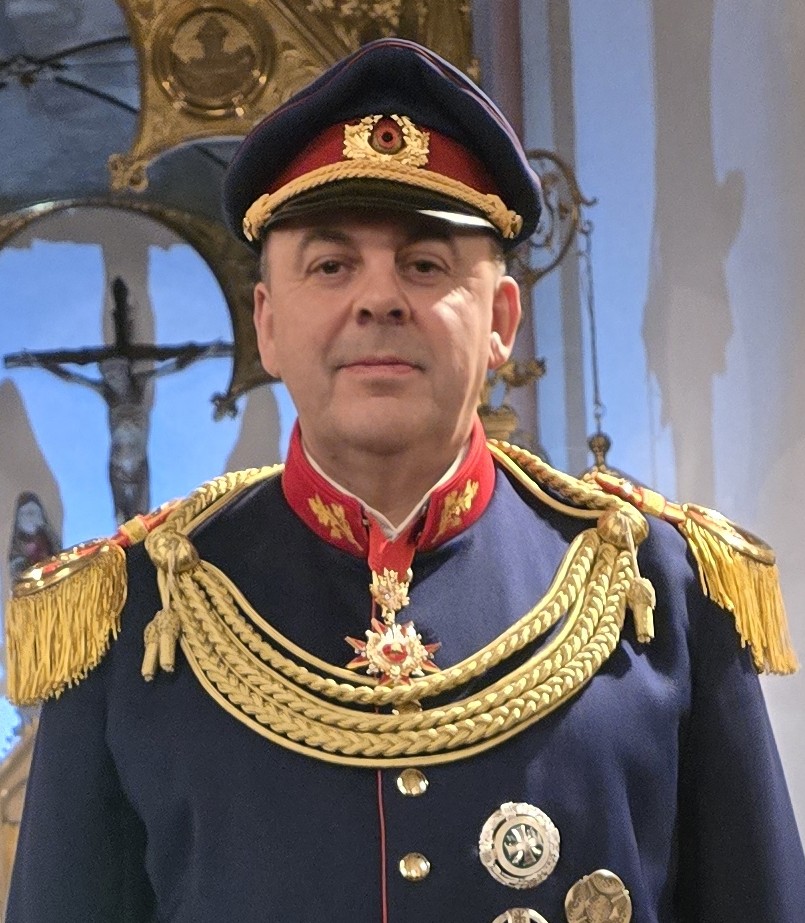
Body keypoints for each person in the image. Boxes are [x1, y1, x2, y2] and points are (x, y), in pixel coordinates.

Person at [5, 38, 805, 923]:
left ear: (501, 319)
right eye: (331, 265)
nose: (379, 299)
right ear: (266, 323)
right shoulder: (130, 616)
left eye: (425, 265)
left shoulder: (661, 589)